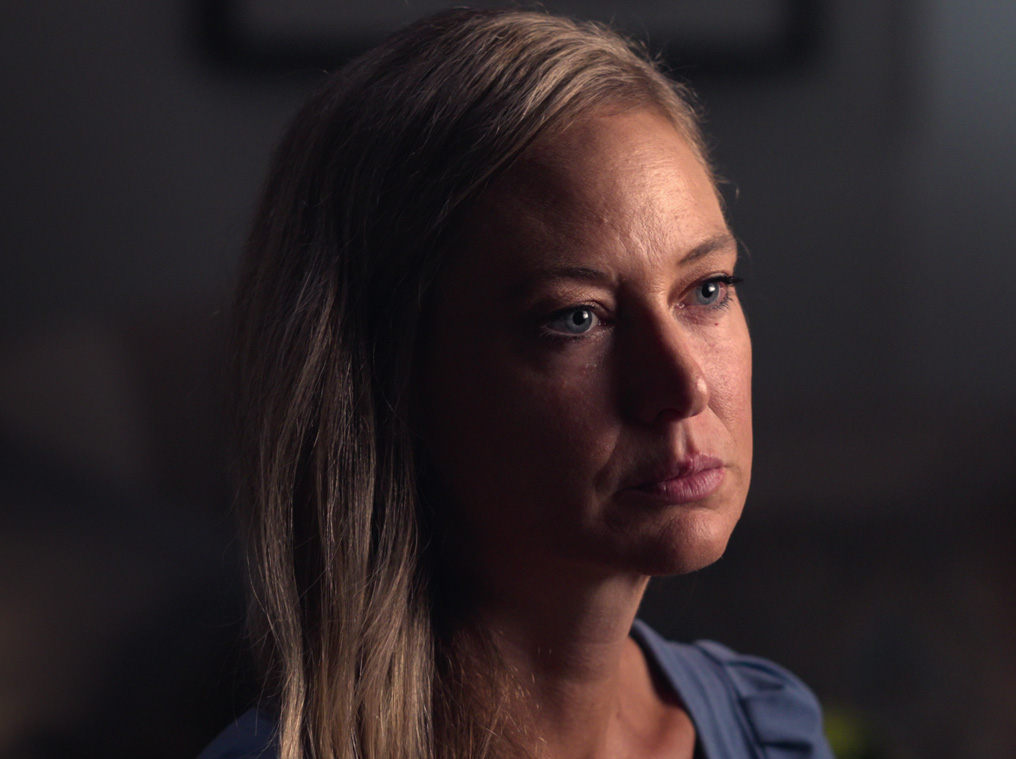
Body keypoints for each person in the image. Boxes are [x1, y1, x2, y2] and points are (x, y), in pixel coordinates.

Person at [201, 8, 833, 759]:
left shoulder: (770, 730)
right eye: (576, 319)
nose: (682, 384)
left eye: (706, 289)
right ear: (387, 384)